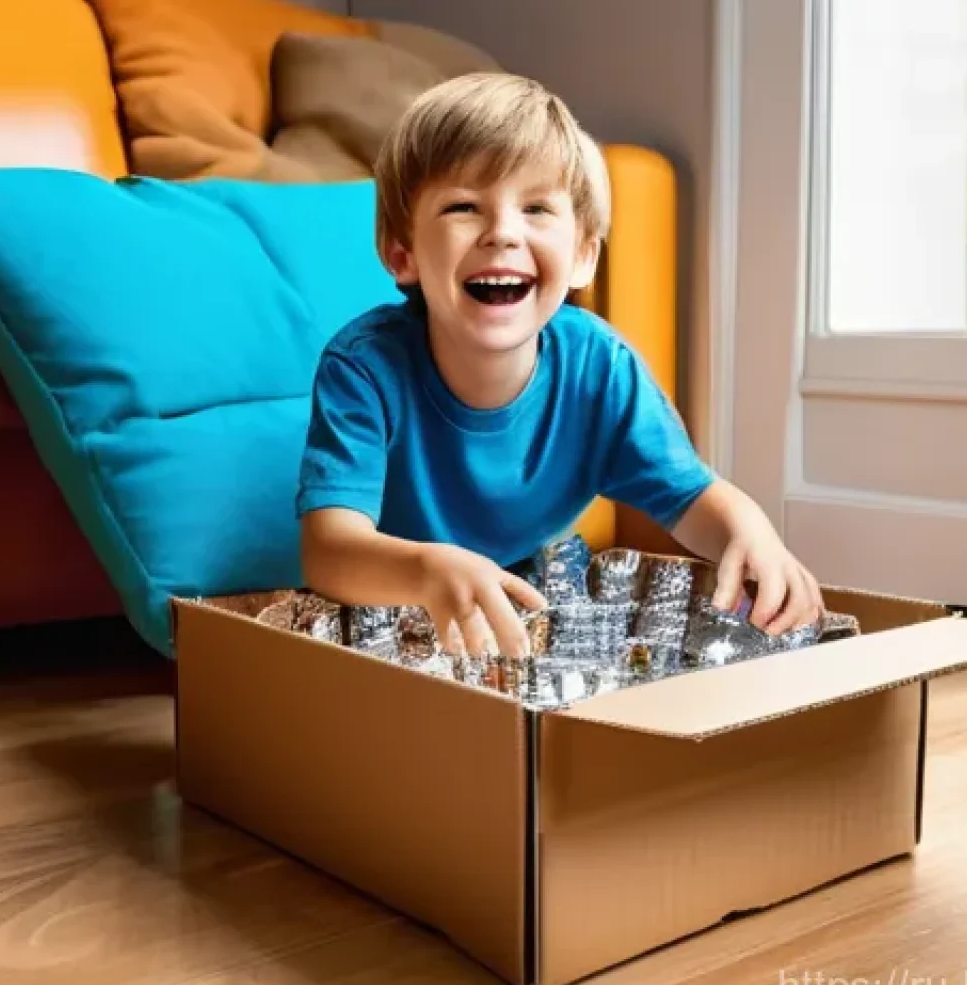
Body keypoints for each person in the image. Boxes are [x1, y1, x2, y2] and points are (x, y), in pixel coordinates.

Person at [296, 71, 823, 659]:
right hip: (389, 618)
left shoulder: (600, 367)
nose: (503, 233)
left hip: (528, 612)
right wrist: (427, 571)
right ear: (403, 254)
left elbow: (691, 498)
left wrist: (748, 529)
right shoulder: (363, 368)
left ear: (582, 256)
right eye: (464, 207)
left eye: (536, 208)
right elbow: (328, 550)